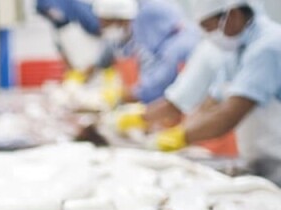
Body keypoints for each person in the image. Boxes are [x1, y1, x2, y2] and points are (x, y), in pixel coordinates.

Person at [156, 0, 281, 183]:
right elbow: (212, 102)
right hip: (261, 161)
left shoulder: (268, 47)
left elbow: (229, 115)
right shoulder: (236, 51)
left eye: (209, 28)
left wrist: (181, 136)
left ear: (233, 15)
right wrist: (181, 130)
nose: (209, 36)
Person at [92, 0, 199, 106]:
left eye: (105, 23)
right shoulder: (142, 30)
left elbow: (160, 80)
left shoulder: (175, 45)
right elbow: (118, 47)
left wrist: (134, 94)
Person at [36, 0, 106, 82]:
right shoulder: (57, 25)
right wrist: (71, 71)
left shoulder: (78, 9)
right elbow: (61, 49)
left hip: (95, 67)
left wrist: (95, 65)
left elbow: (99, 32)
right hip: (81, 70)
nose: (49, 15)